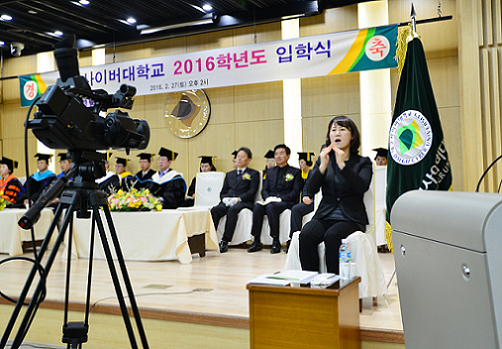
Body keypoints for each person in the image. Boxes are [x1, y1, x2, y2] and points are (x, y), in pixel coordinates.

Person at [299, 116, 372, 274]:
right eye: (333, 130)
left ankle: (334, 286)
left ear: (352, 135)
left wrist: (342, 165)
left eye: (342, 129)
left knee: (332, 236)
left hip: (351, 218)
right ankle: (310, 283)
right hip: (325, 215)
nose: (337, 133)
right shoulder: (324, 161)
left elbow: (361, 187)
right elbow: (310, 189)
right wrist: (322, 167)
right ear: (329, 136)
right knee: (306, 234)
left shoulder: (363, 162)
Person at [248, 144, 303, 254]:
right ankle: (257, 240)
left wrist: (280, 199)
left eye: (281, 153)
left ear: (287, 156)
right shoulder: (270, 171)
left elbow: (295, 192)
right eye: (276, 154)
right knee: (258, 206)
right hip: (271, 200)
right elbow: (264, 190)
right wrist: (268, 198)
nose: (278, 156)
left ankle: (275, 240)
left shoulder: (295, 172)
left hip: (286, 202)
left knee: (271, 207)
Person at [211, 148, 260, 253]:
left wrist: (238, 199)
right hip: (228, 201)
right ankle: (211, 238)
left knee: (232, 210)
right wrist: (224, 199)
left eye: (242, 156)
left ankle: (225, 240)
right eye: (238, 156)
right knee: (215, 210)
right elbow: (223, 191)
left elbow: (252, 192)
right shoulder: (229, 174)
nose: (239, 158)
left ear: (249, 160)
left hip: (244, 202)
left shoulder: (253, 174)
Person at [285, 151, 316, 253]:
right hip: (309, 202)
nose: (300, 164)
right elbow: (306, 188)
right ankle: (294, 239)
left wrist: (313, 200)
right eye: (299, 162)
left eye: (302, 162)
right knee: (296, 208)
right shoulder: (312, 172)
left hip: (319, 202)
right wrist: (305, 197)